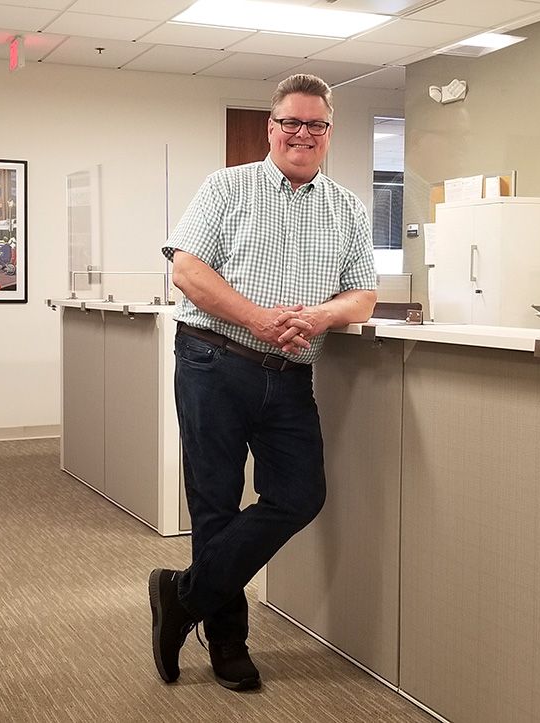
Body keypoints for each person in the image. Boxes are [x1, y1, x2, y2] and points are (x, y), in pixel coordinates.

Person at [148, 73, 377, 691]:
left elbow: (364, 294)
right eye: (291, 122)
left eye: (316, 125)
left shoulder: (349, 208)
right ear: (271, 128)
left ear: (329, 134)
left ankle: (182, 595)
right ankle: (227, 644)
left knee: (299, 496)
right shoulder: (227, 187)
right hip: (213, 362)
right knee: (215, 504)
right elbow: (188, 273)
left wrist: (324, 314)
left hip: (291, 374)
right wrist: (260, 319)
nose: (302, 133)